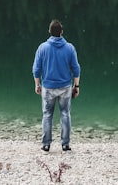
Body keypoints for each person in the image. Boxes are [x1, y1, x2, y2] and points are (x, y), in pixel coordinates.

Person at [32, 18, 81, 152]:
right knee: (65, 114)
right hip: (65, 87)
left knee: (47, 114)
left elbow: (36, 69)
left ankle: (46, 144)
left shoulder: (43, 47)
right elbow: (76, 69)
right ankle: (65, 144)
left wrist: (37, 84)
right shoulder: (70, 48)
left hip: (48, 87)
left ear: (49, 31)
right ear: (62, 32)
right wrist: (76, 86)